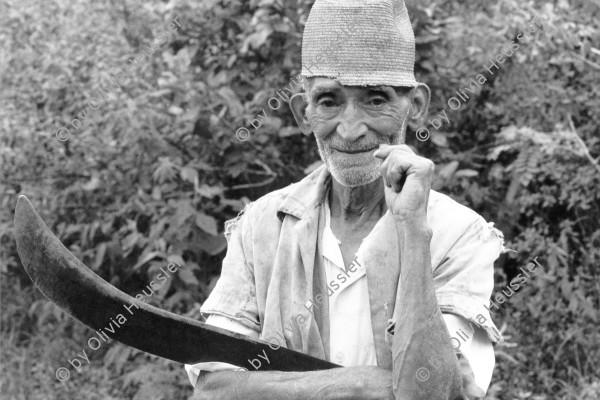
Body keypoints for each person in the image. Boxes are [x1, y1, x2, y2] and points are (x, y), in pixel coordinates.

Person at [187, 0, 507, 398]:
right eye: (329, 101)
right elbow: (214, 389)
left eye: (376, 99)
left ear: (417, 106)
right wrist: (364, 384)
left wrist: (412, 231)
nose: (351, 130)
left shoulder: (458, 234)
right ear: (304, 114)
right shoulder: (262, 224)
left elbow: (437, 392)